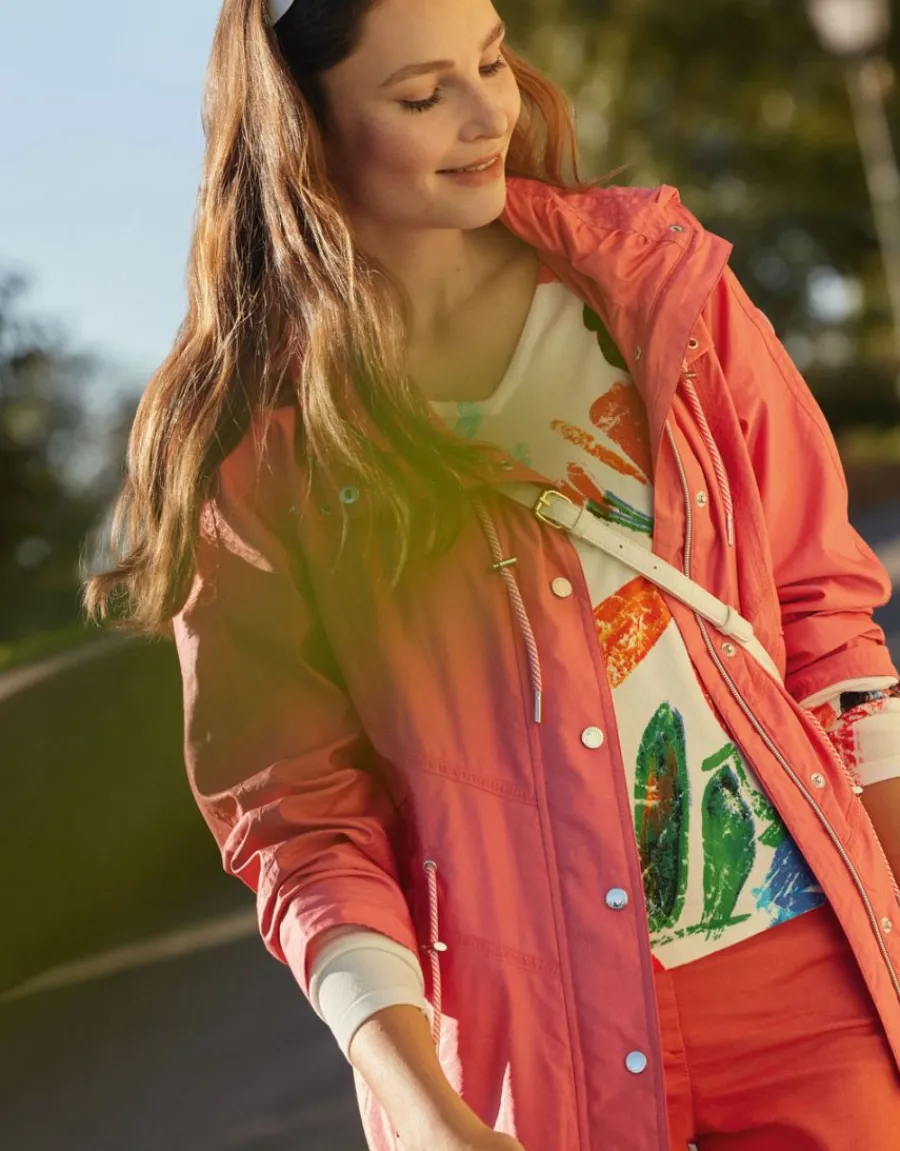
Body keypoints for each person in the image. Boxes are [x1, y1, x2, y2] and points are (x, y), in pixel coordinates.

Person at [83, 0, 900, 1148]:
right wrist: (427, 1108)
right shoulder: (262, 443)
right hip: (527, 1061)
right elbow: (298, 820)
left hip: (811, 987)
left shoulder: (662, 289)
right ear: (304, 125)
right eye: (423, 95)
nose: (487, 116)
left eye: (490, 59)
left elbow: (826, 627)